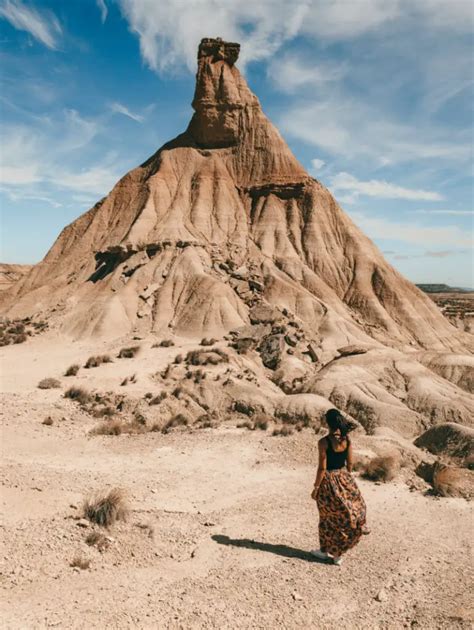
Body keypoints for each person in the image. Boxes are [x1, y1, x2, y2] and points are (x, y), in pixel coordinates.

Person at [310, 408, 367, 566]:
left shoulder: (324, 442)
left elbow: (322, 468)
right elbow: (350, 464)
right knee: (342, 517)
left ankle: (324, 551)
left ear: (327, 423)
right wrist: (345, 479)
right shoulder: (346, 440)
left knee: (327, 518)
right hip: (344, 478)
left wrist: (316, 487)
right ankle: (337, 554)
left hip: (328, 482)